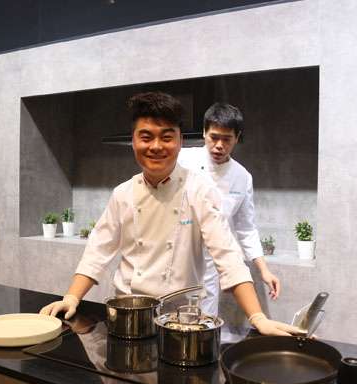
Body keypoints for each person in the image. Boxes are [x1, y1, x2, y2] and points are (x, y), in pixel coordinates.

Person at [40, 91, 302, 336]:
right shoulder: (122, 193)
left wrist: (258, 318)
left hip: (181, 316)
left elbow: (228, 255)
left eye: (166, 138)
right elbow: (98, 250)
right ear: (133, 141)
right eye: (146, 137)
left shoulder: (199, 190)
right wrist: (72, 298)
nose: (156, 146)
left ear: (180, 142)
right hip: (129, 310)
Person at [178, 102, 279, 316]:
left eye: (227, 139)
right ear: (204, 132)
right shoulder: (182, 159)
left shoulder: (242, 177)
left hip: (210, 261)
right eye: (214, 137)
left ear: (237, 137)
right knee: (170, 318)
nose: (219, 145)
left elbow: (246, 228)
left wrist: (264, 270)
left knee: (205, 320)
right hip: (176, 254)